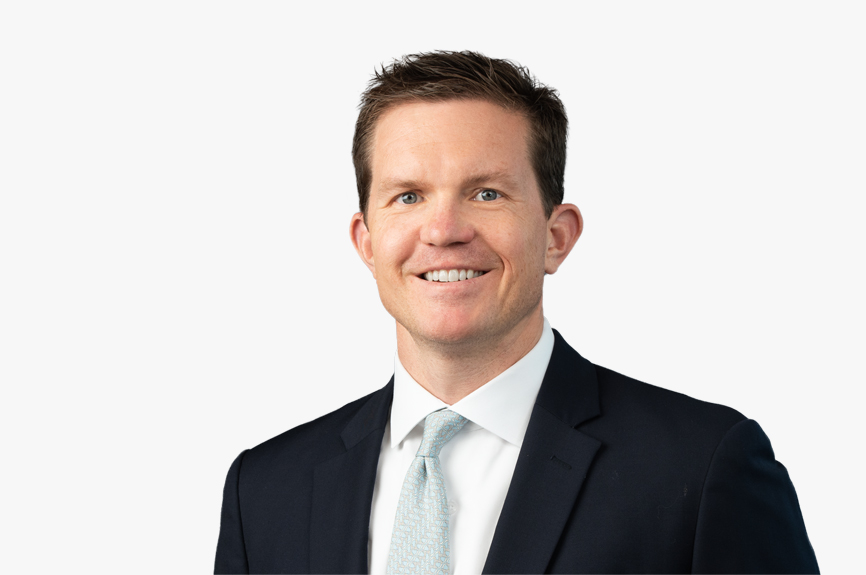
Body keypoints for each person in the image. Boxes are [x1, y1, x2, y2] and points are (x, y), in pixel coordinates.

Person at [214, 51, 818, 574]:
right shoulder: (264, 490)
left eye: (487, 193)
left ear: (556, 236)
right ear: (366, 243)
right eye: (408, 196)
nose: (443, 230)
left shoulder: (701, 468)